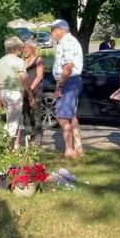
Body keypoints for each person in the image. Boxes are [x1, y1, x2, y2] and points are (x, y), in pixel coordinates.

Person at [49, 19, 84, 159]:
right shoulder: (68, 41)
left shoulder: (67, 43)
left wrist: (59, 85)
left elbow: (68, 68)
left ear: (60, 30)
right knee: (72, 117)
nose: (51, 33)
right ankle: (79, 148)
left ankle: (69, 150)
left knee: (62, 118)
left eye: (52, 30)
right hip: (72, 82)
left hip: (68, 82)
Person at [0, 37, 35, 149]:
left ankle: (16, 146)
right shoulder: (18, 61)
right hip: (14, 93)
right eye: (20, 49)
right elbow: (24, 78)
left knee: (17, 118)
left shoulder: (1, 61)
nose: (21, 51)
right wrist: (30, 93)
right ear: (15, 49)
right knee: (12, 121)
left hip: (3, 93)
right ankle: (2, 146)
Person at [22, 39, 45, 144]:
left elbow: (39, 76)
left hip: (35, 92)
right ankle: (29, 137)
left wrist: (30, 89)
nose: (25, 49)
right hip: (23, 92)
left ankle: (38, 139)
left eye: (27, 46)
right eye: (24, 46)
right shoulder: (22, 60)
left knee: (36, 116)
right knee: (25, 116)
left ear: (33, 48)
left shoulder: (38, 59)